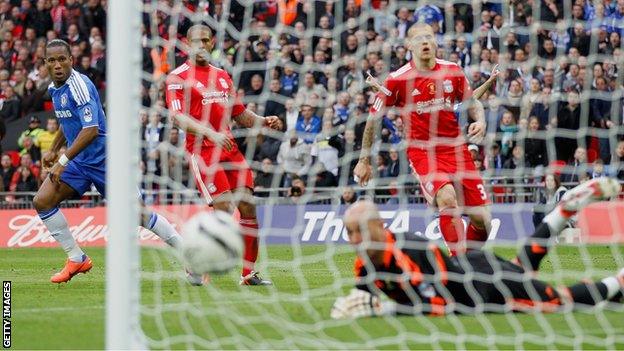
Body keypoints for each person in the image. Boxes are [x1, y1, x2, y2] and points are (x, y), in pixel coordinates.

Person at [331, 178, 623, 318]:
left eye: (361, 231)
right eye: (350, 233)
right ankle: (562, 213)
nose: (356, 240)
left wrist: (381, 310)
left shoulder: (409, 252)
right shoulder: (364, 262)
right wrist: (348, 306)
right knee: (523, 268)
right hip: (475, 266)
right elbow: (363, 296)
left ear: (381, 227)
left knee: (558, 301)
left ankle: (618, 281)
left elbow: (437, 307)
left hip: (486, 291)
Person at [33, 39, 192, 285]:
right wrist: (54, 149)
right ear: (45, 64)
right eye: (51, 60)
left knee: (139, 215)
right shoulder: (55, 89)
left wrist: (62, 160)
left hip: (108, 161)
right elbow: (68, 122)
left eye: (62, 59)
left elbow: (91, 130)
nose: (57, 65)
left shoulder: (80, 86)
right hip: (81, 162)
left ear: (71, 60)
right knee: (42, 201)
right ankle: (77, 258)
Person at [354, 23, 491, 255]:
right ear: (409, 46)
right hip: (423, 152)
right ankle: (459, 266)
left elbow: (471, 102)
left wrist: (480, 119)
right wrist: (364, 160)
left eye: (428, 37)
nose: (425, 42)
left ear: (436, 42)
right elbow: (373, 119)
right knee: (447, 199)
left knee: (482, 221)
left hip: (456, 150)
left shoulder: (453, 70)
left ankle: (470, 260)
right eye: (418, 40)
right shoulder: (397, 80)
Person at [165, 25, 282, 285]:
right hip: (203, 151)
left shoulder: (221, 76)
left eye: (205, 41)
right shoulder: (178, 77)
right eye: (196, 41)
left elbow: (239, 114)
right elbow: (176, 117)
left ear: (212, 42)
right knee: (223, 208)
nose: (201, 45)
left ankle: (248, 273)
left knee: (248, 206)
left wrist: (264, 121)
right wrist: (210, 133)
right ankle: (196, 264)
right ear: (187, 43)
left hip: (229, 149)